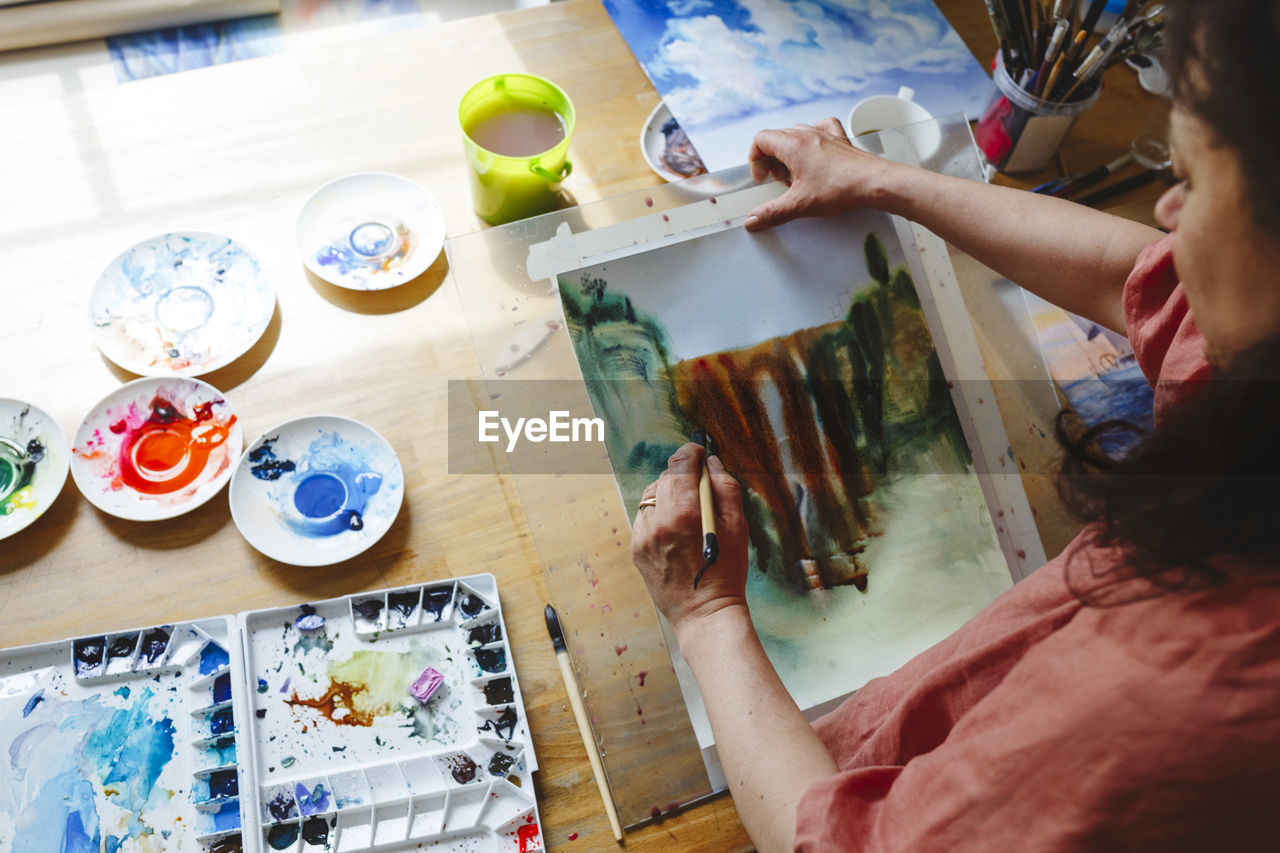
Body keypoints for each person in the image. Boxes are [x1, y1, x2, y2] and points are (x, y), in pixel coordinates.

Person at [629, 1, 1280, 849]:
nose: (1163, 213)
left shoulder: (1177, 688)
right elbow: (1140, 277)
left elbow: (840, 844)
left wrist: (706, 617)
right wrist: (885, 180)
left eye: (1190, 180)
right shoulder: (1257, 355)